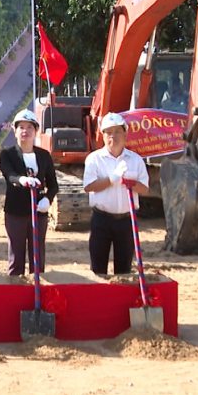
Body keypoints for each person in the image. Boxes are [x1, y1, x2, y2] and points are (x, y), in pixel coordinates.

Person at [83, 112, 150, 275]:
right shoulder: (94, 159)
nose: (113, 136)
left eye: (118, 131)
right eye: (109, 132)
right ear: (103, 135)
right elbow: (89, 186)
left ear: (125, 134)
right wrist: (112, 179)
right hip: (101, 220)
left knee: (124, 270)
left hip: (126, 221)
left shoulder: (135, 160)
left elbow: (145, 189)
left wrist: (130, 182)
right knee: (98, 269)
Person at [0, 109, 59, 276]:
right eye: (21, 127)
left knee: (37, 256)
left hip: (38, 213)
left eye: (30, 127)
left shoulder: (44, 156)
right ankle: (15, 287)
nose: (25, 131)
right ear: (15, 130)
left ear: (36, 130)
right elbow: (9, 174)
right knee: (16, 256)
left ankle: (37, 287)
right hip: (15, 212)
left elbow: (53, 185)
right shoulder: (7, 154)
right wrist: (21, 180)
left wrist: (47, 200)